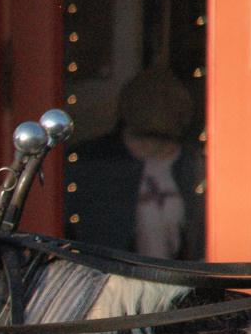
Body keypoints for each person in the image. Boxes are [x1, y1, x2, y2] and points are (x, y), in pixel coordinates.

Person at [64, 67, 205, 259]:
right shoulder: (91, 166)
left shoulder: (197, 166)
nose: (151, 149)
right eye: (142, 139)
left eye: (163, 142)